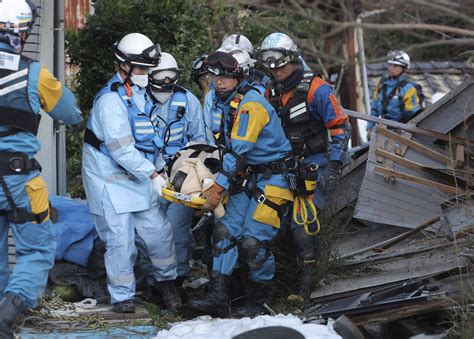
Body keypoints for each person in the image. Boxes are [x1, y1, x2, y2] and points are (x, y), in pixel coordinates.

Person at [188, 50, 294, 316]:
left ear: (239, 77)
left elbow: (238, 152)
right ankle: (218, 297)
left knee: (252, 243)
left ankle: (259, 302)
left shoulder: (251, 105)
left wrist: (216, 188)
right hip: (247, 176)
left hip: (274, 177)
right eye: (215, 76)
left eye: (226, 76)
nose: (219, 81)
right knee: (223, 233)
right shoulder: (224, 102)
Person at [82, 33, 181, 313]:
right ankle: (122, 296)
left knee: (158, 233)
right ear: (124, 66)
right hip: (109, 181)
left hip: (138, 175)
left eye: (147, 69)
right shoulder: (110, 102)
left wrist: (161, 170)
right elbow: (121, 151)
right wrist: (153, 176)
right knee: (120, 240)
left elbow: (151, 138)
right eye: (140, 68)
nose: (145, 74)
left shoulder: (139, 95)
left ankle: (166, 283)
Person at [0, 0, 82, 336]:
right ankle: (7, 315)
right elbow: (70, 113)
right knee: (37, 249)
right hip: (18, 179)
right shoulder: (33, 73)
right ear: (21, 31)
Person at [257, 32, 350, 294]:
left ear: (292, 59)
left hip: (314, 165)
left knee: (303, 229)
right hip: (280, 166)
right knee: (270, 224)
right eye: (271, 66)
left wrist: (334, 165)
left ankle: (307, 288)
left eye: (282, 66)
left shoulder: (317, 89)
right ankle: (276, 284)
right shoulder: (267, 90)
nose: (277, 71)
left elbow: (340, 128)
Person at [147, 52, 208, 283]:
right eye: (160, 76)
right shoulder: (140, 100)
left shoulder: (187, 100)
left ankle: (179, 277)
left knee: (176, 229)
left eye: (169, 76)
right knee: (151, 230)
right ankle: (152, 279)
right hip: (149, 175)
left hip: (182, 177)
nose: (165, 81)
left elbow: (200, 141)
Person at [366, 50, 421, 140]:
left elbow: (413, 115)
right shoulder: (382, 84)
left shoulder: (408, 88)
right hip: (381, 129)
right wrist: (369, 127)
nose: (391, 68)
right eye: (390, 64)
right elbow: (374, 108)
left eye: (395, 65)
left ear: (404, 68)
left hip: (399, 132)